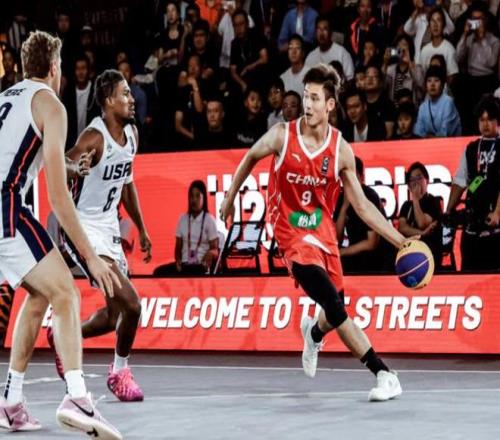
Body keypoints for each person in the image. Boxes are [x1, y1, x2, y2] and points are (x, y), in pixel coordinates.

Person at [220, 64, 409, 401]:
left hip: (323, 233)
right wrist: (230, 196)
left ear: (330, 105)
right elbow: (250, 157)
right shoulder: (282, 134)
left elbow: (363, 206)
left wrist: (401, 241)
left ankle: (314, 332)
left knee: (334, 308)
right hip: (290, 233)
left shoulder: (340, 150)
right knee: (334, 305)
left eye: (315, 98)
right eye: (306, 96)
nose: (307, 104)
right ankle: (384, 373)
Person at [0, 31, 121, 438]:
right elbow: (56, 197)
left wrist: (70, 167)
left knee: (40, 294)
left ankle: (12, 402)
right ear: (54, 68)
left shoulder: (7, 98)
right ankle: (77, 397)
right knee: (67, 292)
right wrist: (90, 256)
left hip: (4, 205)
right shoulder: (51, 103)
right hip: (7, 208)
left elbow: (22, 154)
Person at [49, 69, 153, 402]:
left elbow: (127, 184)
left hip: (109, 228)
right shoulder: (94, 138)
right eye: (125, 93)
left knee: (114, 315)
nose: (131, 99)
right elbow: (62, 161)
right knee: (132, 305)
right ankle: (119, 373)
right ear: (108, 101)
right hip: (82, 228)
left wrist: (142, 228)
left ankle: (63, 338)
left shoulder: (132, 135)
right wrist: (74, 168)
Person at [445, 95, 500, 271]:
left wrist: (497, 213)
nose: (485, 124)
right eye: (482, 120)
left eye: (490, 119)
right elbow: (460, 181)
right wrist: (448, 210)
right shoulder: (471, 148)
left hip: (495, 229)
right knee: (469, 274)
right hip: (472, 228)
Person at [334, 157, 386, 272]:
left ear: (362, 177)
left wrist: (342, 252)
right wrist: (344, 208)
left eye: (353, 177)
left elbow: (372, 243)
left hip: (375, 256)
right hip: (354, 253)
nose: (349, 182)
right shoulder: (341, 197)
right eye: (345, 178)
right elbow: (337, 239)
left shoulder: (370, 196)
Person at [398, 162, 442, 268]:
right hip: (408, 251)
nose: (416, 183)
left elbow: (422, 223)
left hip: (428, 252)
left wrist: (415, 199)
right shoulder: (406, 205)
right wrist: (422, 233)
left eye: (419, 178)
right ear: (408, 185)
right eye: (412, 180)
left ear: (427, 180)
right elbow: (402, 228)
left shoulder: (434, 201)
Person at [175, 180, 219, 274]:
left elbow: (215, 250)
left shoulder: (209, 220)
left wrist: (210, 253)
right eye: (191, 196)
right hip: (184, 265)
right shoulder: (182, 219)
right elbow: (178, 247)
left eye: (197, 196)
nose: (194, 200)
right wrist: (178, 260)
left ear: (204, 198)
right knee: (159, 272)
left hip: (200, 266)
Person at [414, 65, 461, 137]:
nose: (432, 84)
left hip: (450, 143)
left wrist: (428, 137)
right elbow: (418, 132)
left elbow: (445, 132)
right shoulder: (422, 107)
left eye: (436, 80)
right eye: (429, 81)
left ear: (442, 85)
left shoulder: (448, 102)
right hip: (426, 143)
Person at [305, 16, 354, 81]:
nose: (321, 33)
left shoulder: (342, 53)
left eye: (325, 29)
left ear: (331, 32)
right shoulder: (310, 57)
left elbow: (350, 79)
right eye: (319, 29)